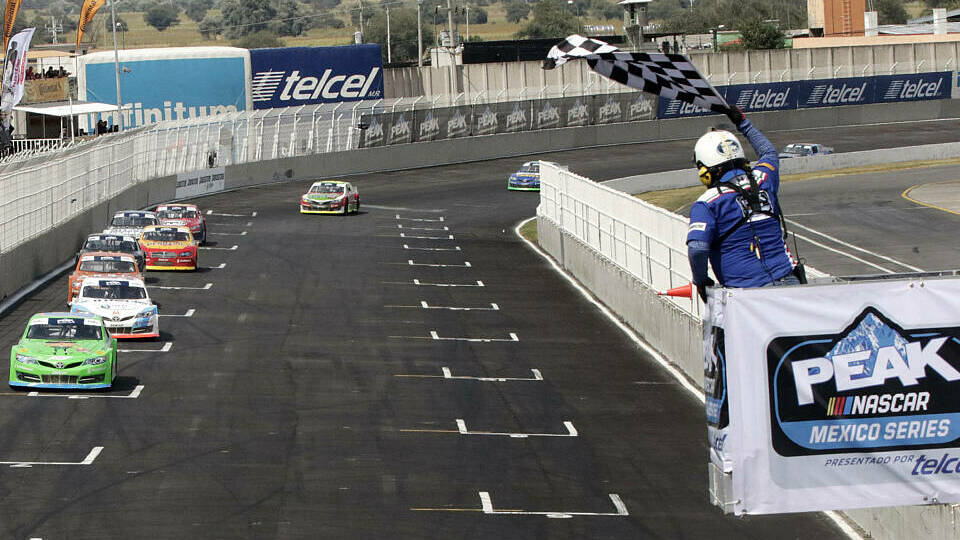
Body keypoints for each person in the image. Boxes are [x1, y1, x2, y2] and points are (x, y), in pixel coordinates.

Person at [686, 106, 798, 302]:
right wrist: (743, 122)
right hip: (789, 284)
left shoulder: (706, 203)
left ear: (705, 170)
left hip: (746, 298)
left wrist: (701, 281)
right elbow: (769, 153)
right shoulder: (764, 178)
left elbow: (697, 248)